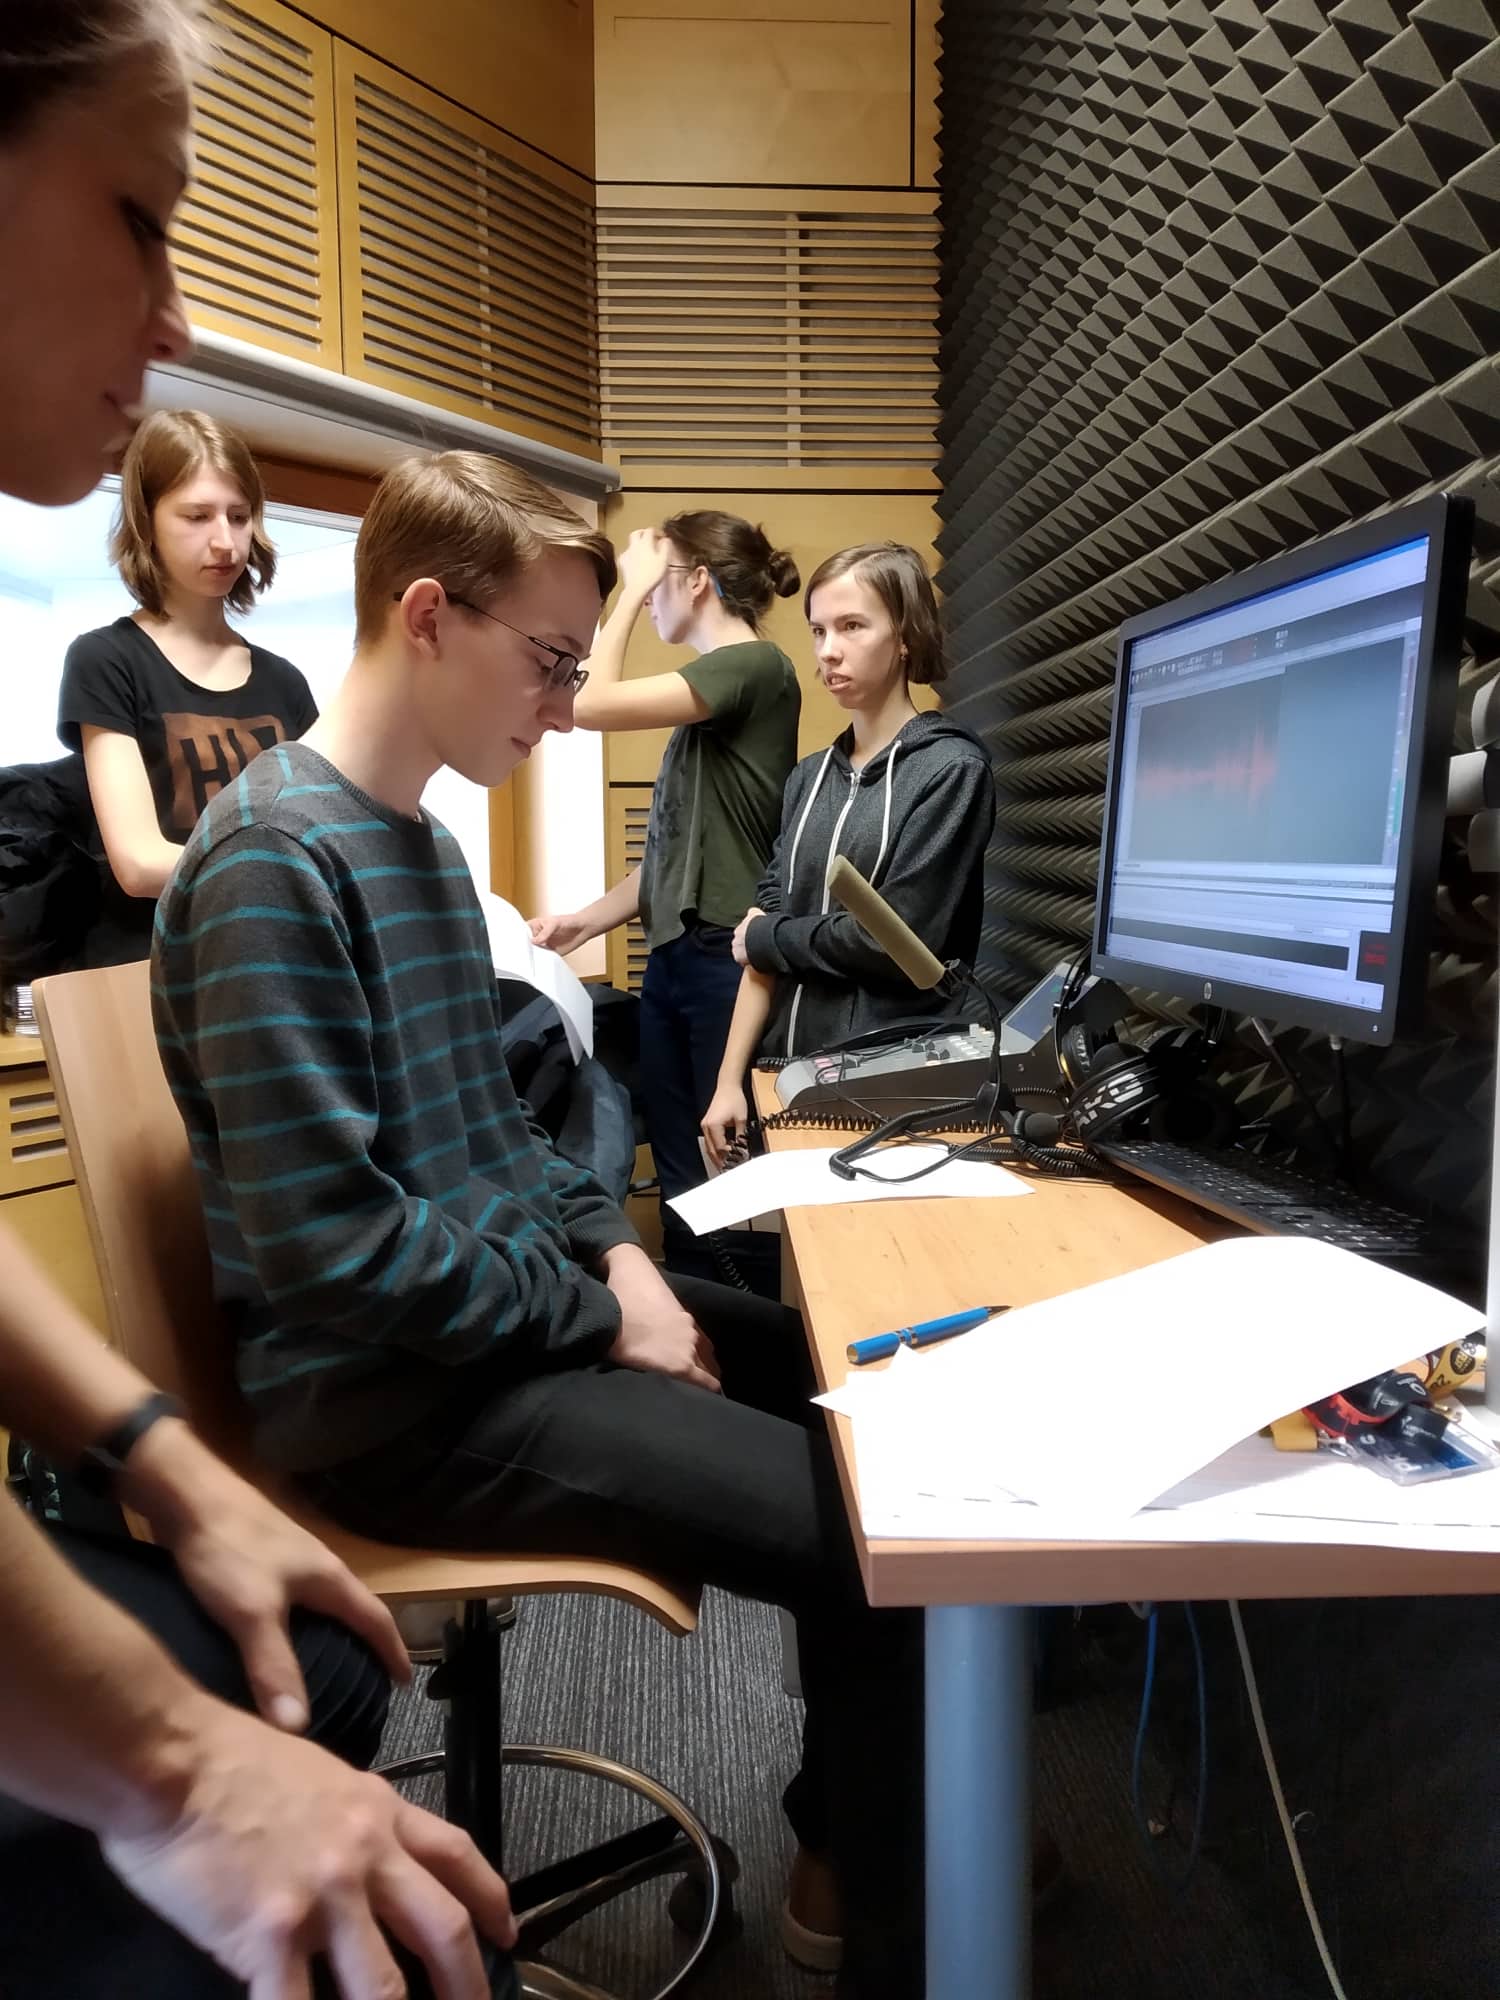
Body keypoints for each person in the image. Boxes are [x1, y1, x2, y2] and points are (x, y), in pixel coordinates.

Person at [152, 450, 925, 1998]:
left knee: (866, 1385)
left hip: (487, 1336)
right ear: (429, 616)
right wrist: (601, 1316)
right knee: (869, 1535)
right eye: (554, 662)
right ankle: (897, 1894)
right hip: (391, 1401)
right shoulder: (271, 863)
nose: (569, 706)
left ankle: (878, 1821)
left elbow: (508, 1138)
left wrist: (626, 1257)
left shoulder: (423, 850)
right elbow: (336, 1255)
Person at [0, 6, 516, 1996]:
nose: (178, 309)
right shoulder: (126, 690)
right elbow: (152, 857)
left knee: (302, 1662)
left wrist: (157, 1450)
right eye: (139, 215)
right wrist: (171, 1769)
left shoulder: (304, 720)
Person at [528, 513, 801, 1275]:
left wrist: (627, 591)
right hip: (678, 958)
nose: (648, 600)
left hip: (727, 960)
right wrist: (583, 924)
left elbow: (584, 705)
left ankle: (748, 1338)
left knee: (728, 1186)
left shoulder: (755, 665)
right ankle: (698, 1329)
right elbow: (668, 859)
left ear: (697, 580)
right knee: (682, 1184)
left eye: (657, 583)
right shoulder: (702, 709)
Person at [701, 542, 996, 1165]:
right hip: (783, 1078)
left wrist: (771, 937)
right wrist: (729, 1082)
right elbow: (760, 937)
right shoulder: (807, 779)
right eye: (818, 630)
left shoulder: (951, 769)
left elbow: (896, 943)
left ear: (905, 635)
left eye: (852, 626)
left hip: (888, 1088)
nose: (828, 651)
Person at [58, 406, 317, 963]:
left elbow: (326, 831)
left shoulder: (286, 682)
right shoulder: (106, 660)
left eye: (239, 516)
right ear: (147, 523)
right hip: (157, 970)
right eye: (197, 516)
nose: (226, 542)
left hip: (273, 961)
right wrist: (288, 877)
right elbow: (138, 863)